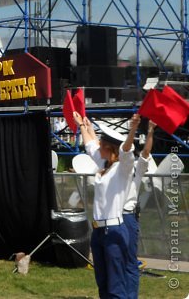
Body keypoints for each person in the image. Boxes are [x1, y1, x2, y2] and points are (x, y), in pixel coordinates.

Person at [74, 112, 155, 298]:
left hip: (114, 229)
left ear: (110, 148)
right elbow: (89, 145)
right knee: (102, 281)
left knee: (116, 281)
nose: (98, 146)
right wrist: (82, 125)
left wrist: (133, 128)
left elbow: (127, 151)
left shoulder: (123, 168)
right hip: (99, 231)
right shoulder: (104, 164)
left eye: (102, 144)